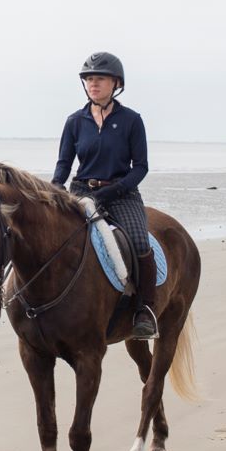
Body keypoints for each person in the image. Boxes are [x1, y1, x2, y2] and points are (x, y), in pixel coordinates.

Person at [51, 52, 159, 340]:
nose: (92, 84)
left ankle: (144, 310)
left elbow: (141, 167)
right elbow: (64, 163)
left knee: (138, 240)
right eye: (88, 79)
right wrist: (56, 186)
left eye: (99, 78)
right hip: (82, 191)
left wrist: (116, 189)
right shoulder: (75, 121)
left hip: (122, 194)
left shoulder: (132, 120)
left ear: (116, 83)